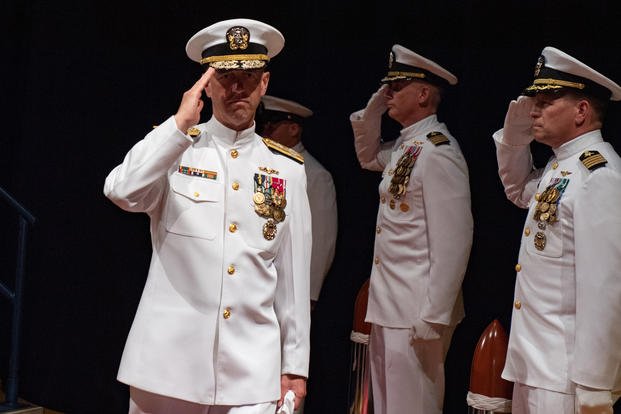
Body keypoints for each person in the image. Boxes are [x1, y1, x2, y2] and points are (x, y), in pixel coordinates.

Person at [103, 18, 312, 414]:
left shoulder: (287, 169)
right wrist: (179, 125)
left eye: (249, 76)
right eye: (227, 75)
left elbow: (293, 277)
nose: (238, 87)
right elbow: (121, 191)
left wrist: (295, 366)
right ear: (207, 83)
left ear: (264, 83)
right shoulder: (176, 148)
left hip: (252, 372)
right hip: (167, 366)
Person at [493, 46, 621, 413]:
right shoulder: (561, 166)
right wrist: (514, 138)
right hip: (536, 364)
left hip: (565, 376)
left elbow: (605, 289)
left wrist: (596, 385)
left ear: (581, 111)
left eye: (547, 100)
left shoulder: (599, 176)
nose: (534, 109)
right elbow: (518, 190)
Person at [349, 44, 473, 414]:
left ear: (422, 94)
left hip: (418, 311)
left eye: (396, 87)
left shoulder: (439, 152)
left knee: (412, 406)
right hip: (390, 305)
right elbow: (368, 155)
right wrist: (373, 109)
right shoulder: (409, 147)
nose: (388, 94)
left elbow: (453, 241)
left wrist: (434, 314)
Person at [256, 95, 338, 311]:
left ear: (293, 129)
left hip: (289, 284)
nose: (264, 133)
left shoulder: (314, 174)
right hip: (256, 279)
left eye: (271, 127)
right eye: (263, 126)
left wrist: (309, 293)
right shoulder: (259, 165)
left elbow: (322, 239)